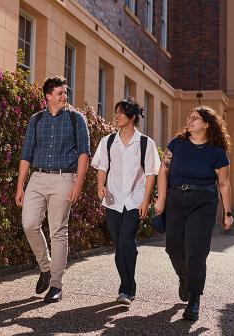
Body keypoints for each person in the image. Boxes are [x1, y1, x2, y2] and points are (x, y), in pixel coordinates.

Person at [154, 105, 234, 321]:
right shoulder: (176, 144)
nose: (189, 121)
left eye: (195, 119)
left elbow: (224, 184)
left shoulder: (216, 152)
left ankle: (194, 299)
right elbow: (163, 170)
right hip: (176, 199)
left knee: (196, 251)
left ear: (207, 124)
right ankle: (184, 277)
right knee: (173, 248)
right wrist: (161, 200)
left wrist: (228, 212)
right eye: (189, 118)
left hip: (204, 202)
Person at [15, 76, 91, 303]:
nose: (64, 97)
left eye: (65, 93)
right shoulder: (36, 120)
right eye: (59, 93)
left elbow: (84, 153)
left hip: (64, 178)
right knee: (29, 224)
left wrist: (78, 183)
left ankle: (56, 284)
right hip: (37, 178)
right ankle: (45, 268)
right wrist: (20, 185)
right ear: (48, 96)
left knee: (58, 231)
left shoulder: (76, 119)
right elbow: (26, 154)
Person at [90, 98, 160, 305]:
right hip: (112, 199)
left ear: (132, 117)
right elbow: (102, 167)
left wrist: (146, 200)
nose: (117, 116)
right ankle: (129, 284)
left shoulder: (146, 143)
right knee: (120, 243)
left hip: (135, 200)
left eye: (121, 112)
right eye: (116, 112)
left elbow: (150, 174)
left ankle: (125, 290)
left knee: (126, 241)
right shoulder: (108, 141)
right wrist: (99, 186)